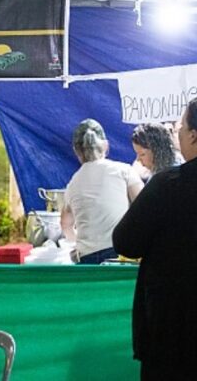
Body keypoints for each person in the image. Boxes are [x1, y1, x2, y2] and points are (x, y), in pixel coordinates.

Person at [113, 99, 197, 380]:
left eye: (181, 128)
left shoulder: (168, 184)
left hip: (172, 330)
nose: (179, 134)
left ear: (194, 135)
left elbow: (125, 242)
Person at [60, 119, 144, 264]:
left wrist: (77, 244)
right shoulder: (124, 171)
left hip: (87, 258)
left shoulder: (73, 183)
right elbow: (144, 207)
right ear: (105, 146)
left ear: (76, 151)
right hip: (120, 254)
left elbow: (65, 224)